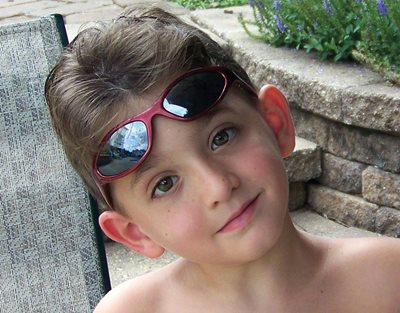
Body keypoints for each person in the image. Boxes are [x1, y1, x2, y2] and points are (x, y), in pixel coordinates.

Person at [45, 6, 400, 313]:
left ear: (275, 123)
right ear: (134, 233)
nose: (217, 186)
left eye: (221, 137)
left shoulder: (388, 278)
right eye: (165, 184)